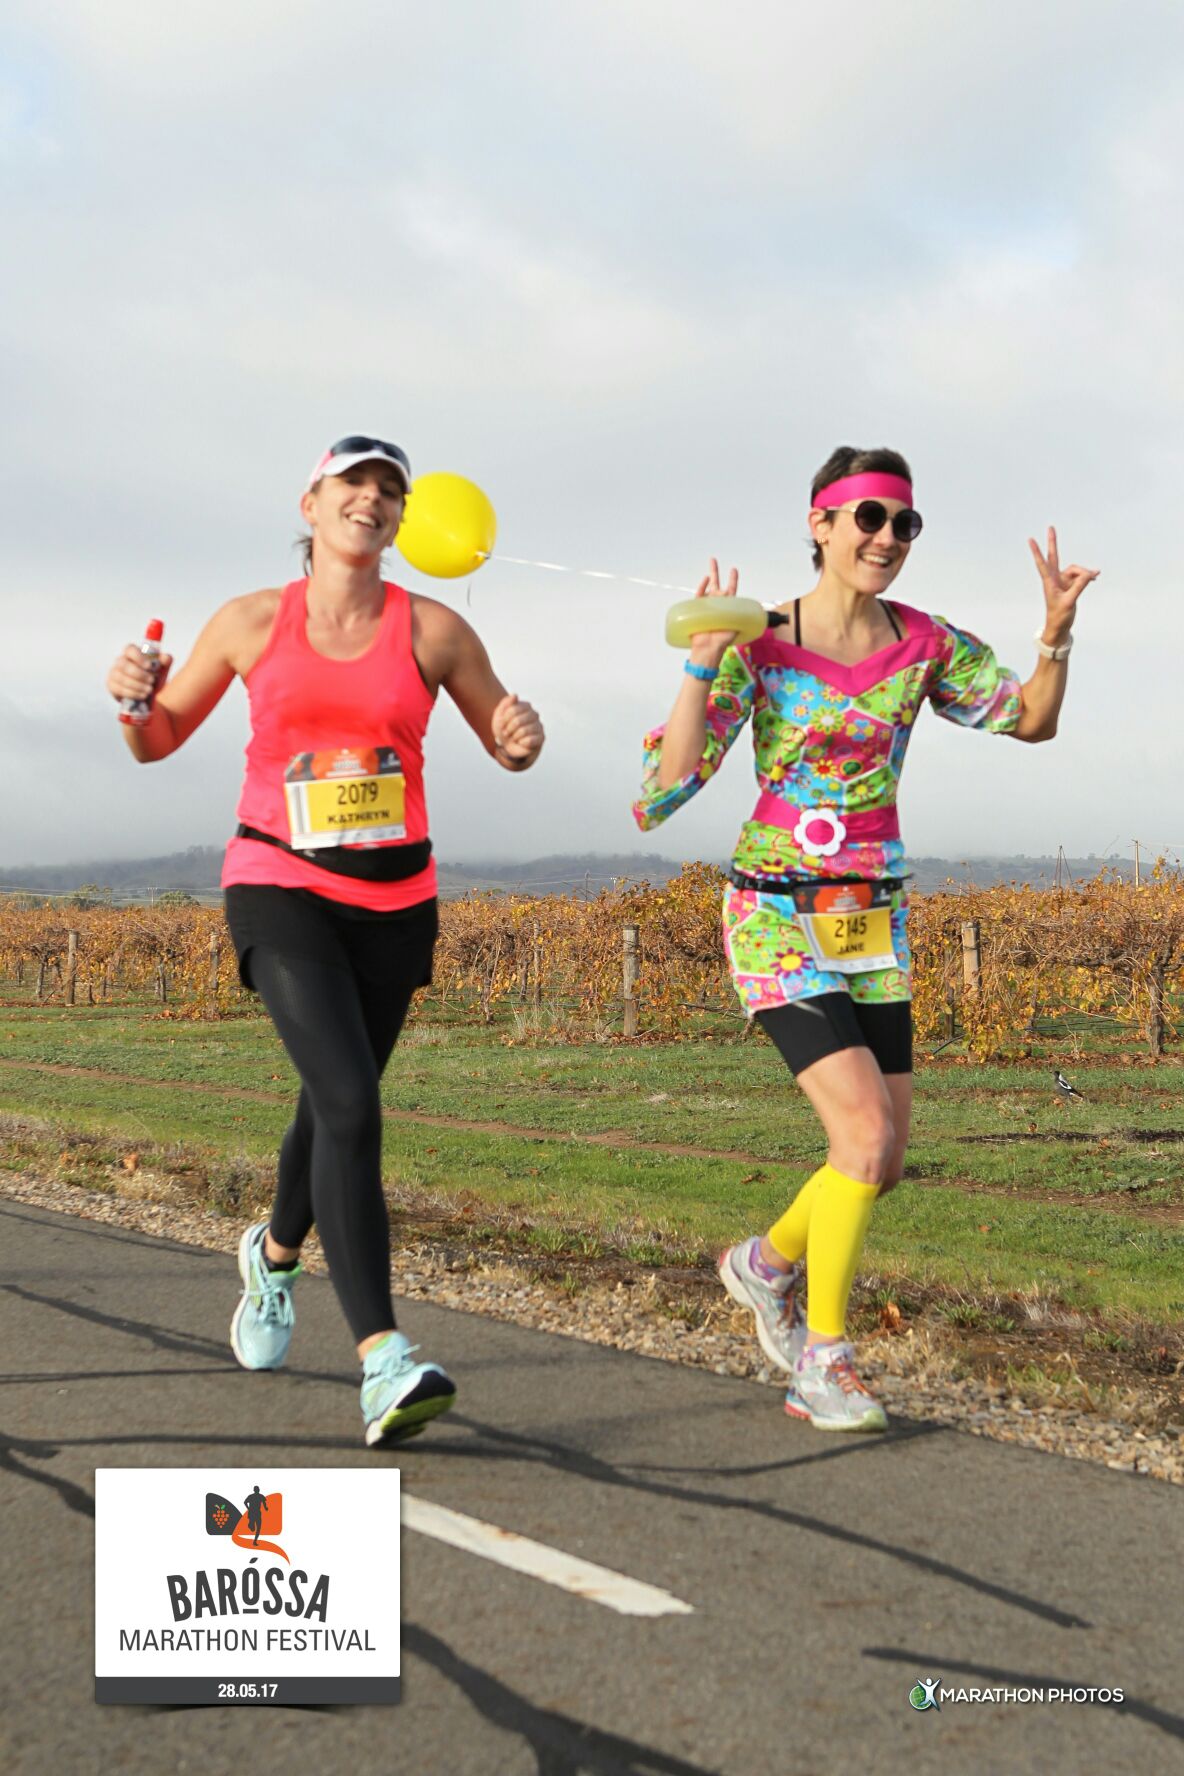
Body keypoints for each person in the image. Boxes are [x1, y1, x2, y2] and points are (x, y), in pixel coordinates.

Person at [633, 445, 1095, 1432]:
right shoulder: (756, 642)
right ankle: (823, 1361)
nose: (887, 537)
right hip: (773, 908)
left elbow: (1029, 721)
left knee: (881, 1160)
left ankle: (763, 1265)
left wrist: (1054, 636)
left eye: (904, 523)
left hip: (870, 918)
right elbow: (662, 789)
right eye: (869, 517)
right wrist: (700, 664)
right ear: (820, 523)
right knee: (860, 1134)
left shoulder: (924, 643)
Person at [106, 435, 544, 1447]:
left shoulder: (434, 629)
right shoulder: (252, 621)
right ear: (310, 502)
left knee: (331, 1103)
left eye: (390, 488)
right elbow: (155, 739)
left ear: (401, 518)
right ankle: (384, 1358)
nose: (372, 499)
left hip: (396, 900)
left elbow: (507, 742)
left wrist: (523, 741)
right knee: (350, 1102)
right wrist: (132, 700)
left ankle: (272, 1254)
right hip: (279, 883)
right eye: (353, 482)